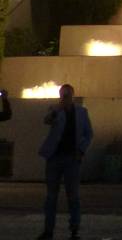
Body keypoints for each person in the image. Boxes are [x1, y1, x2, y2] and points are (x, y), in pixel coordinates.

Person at [38, 82, 93, 240]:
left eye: (67, 95)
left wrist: (81, 150)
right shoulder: (55, 110)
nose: (65, 98)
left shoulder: (81, 112)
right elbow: (47, 120)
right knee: (51, 197)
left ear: (72, 96)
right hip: (54, 157)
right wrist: (57, 110)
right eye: (63, 95)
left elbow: (88, 133)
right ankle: (48, 231)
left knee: (73, 196)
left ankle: (74, 230)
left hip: (72, 158)